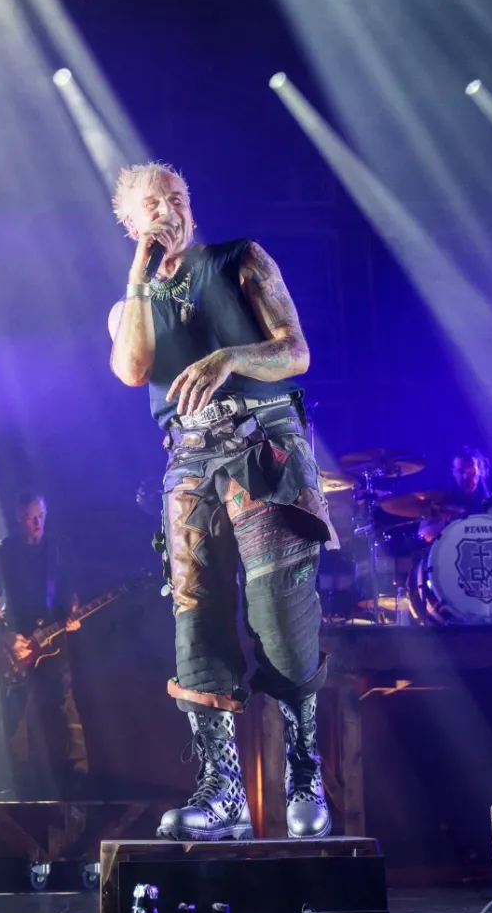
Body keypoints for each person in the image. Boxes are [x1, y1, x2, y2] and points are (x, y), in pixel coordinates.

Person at [107, 162, 336, 841]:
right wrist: (140, 274)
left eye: (177, 197)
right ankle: (224, 791)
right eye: (153, 204)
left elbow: (295, 352)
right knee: (196, 620)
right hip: (188, 461)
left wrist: (230, 358)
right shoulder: (128, 305)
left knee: (279, 614)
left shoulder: (241, 260)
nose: (168, 210)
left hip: (261, 445)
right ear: (130, 223)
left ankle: (305, 771)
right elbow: (132, 369)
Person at [0, 491, 89, 799]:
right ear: (19, 517)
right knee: (15, 709)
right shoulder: (3, 550)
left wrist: (73, 612)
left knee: (64, 704)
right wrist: (4, 633)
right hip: (16, 642)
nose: (37, 522)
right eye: (31, 517)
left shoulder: (59, 546)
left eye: (41, 516)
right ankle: (19, 781)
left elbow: (70, 589)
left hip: (53, 638)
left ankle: (76, 777)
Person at [417, 446, 492, 543]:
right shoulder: (440, 501)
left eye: (471, 472)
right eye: (460, 471)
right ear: (453, 472)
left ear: (479, 471)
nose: (466, 477)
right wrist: (441, 523)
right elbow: (426, 536)